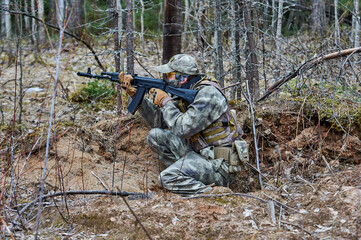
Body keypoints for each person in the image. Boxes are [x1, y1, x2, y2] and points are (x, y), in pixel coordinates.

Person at [119, 54, 247, 196]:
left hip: (221, 166)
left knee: (167, 178)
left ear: (183, 78)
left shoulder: (209, 94)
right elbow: (159, 122)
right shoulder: (185, 92)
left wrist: (166, 102)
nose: (166, 78)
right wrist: (138, 97)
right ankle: (186, 172)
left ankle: (212, 194)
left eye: (170, 75)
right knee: (155, 136)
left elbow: (183, 129)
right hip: (203, 153)